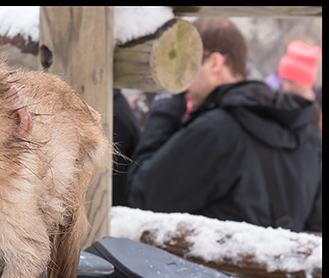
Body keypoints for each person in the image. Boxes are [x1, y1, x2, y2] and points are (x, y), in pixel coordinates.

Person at [126, 18, 322, 233]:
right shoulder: (307, 134)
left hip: (201, 266)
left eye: (183, 65)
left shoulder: (215, 130)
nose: (180, 81)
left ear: (214, 63)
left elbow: (141, 198)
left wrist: (164, 113)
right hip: (281, 265)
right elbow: (315, 224)